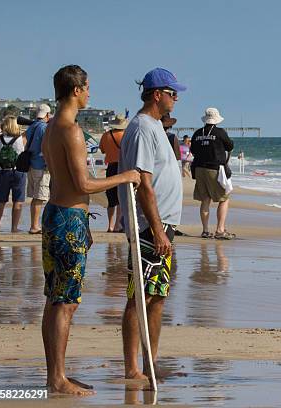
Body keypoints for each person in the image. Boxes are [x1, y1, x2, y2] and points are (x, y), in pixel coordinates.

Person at [41, 65, 140, 396]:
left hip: (58, 213)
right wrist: (124, 177)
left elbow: (66, 181)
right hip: (67, 216)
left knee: (55, 298)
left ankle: (56, 374)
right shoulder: (71, 130)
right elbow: (84, 183)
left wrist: (84, 221)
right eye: (87, 88)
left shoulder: (51, 127)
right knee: (65, 301)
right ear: (76, 91)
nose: (89, 94)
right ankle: (57, 378)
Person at [118, 67, 185, 380]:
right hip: (148, 226)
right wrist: (157, 229)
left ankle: (150, 363)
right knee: (140, 296)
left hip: (163, 224)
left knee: (157, 295)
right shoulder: (143, 127)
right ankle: (133, 367)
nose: (176, 98)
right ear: (157, 94)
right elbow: (143, 182)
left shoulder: (155, 125)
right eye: (173, 93)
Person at [190, 107, 235, 239]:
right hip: (214, 168)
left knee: (205, 199)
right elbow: (230, 146)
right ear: (216, 120)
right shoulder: (220, 132)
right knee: (224, 198)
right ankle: (220, 230)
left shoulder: (197, 133)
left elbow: (192, 149)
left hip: (198, 168)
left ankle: (205, 230)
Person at [0, 116, 26, 233]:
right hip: (17, 172)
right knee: (18, 201)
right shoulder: (20, 139)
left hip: (3, 172)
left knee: (1, 201)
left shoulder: (0, 139)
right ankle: (14, 228)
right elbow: (22, 154)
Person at [99, 114, 129, 232]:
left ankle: (110, 226)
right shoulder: (126, 135)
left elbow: (102, 150)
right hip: (122, 167)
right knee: (120, 197)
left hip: (110, 167)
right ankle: (118, 225)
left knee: (111, 198)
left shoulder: (106, 135)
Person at [25, 104, 51, 234]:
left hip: (31, 164)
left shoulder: (31, 127)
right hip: (41, 165)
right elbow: (47, 148)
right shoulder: (44, 128)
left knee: (35, 197)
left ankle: (33, 224)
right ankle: (34, 226)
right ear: (47, 115)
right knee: (40, 197)